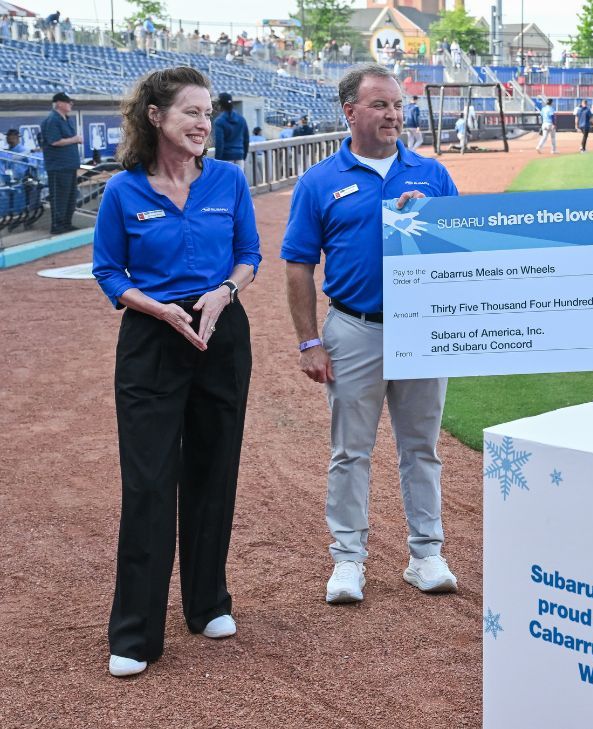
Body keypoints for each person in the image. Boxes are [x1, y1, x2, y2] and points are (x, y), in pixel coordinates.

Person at [92, 66, 261, 678]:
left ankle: (208, 601)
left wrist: (224, 292)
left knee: (214, 469)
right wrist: (156, 307)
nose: (202, 123)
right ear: (155, 116)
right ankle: (135, 632)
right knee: (148, 482)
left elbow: (249, 254)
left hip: (220, 328)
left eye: (207, 111)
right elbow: (109, 273)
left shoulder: (228, 180)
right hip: (153, 336)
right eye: (191, 111)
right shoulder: (123, 192)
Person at [281, 63, 459, 605]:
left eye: (398, 105)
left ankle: (426, 553)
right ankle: (348, 560)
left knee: (421, 448)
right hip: (355, 327)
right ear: (350, 111)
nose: (393, 114)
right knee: (350, 452)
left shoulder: (431, 175)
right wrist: (310, 340)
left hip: (422, 328)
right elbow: (297, 265)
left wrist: (429, 222)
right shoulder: (319, 181)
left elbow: (465, 249)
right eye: (380, 105)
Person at [40, 91, 82, 235]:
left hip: (70, 165)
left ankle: (66, 223)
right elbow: (54, 141)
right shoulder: (52, 120)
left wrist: (74, 139)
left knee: (70, 197)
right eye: (67, 101)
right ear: (58, 103)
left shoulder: (68, 119)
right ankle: (57, 226)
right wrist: (75, 139)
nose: (71, 104)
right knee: (60, 197)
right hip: (58, 166)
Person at [212, 92, 249, 170]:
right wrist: (243, 156)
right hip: (240, 156)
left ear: (220, 105)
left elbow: (219, 143)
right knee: (238, 181)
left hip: (226, 157)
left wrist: (217, 162)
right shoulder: (241, 119)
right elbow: (246, 140)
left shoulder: (219, 121)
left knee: (227, 181)